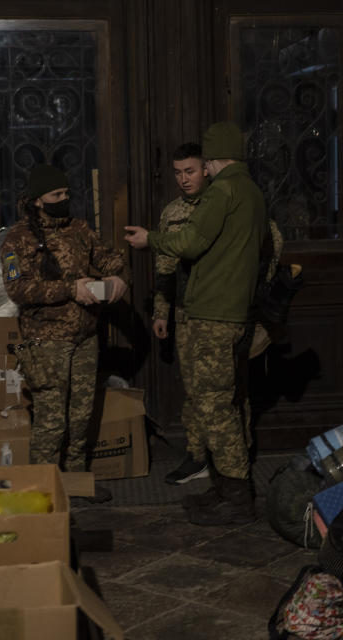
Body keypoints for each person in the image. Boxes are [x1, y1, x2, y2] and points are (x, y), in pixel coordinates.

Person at [125, 121, 267, 525]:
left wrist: (149, 239)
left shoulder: (224, 191)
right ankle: (224, 489)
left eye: (201, 164)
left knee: (215, 407)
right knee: (223, 400)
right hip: (232, 310)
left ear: (212, 160)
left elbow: (189, 243)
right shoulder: (252, 191)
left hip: (214, 315)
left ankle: (237, 498)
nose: (195, 174)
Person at [1, 164, 127, 502]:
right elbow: (19, 289)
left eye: (66, 193)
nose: (64, 199)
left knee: (81, 415)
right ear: (38, 200)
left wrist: (117, 278)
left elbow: (110, 258)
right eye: (56, 195)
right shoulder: (18, 238)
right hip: (47, 341)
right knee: (52, 421)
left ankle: (75, 485)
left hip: (85, 337)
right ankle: (42, 492)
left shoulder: (80, 229)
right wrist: (70, 288)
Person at [151, 143, 214, 486]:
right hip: (185, 314)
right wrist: (162, 312)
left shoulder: (222, 205)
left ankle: (230, 456)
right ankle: (198, 455)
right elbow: (164, 268)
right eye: (178, 173)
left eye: (190, 171)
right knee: (193, 389)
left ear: (206, 168)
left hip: (221, 311)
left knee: (224, 389)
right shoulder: (172, 212)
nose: (183, 179)